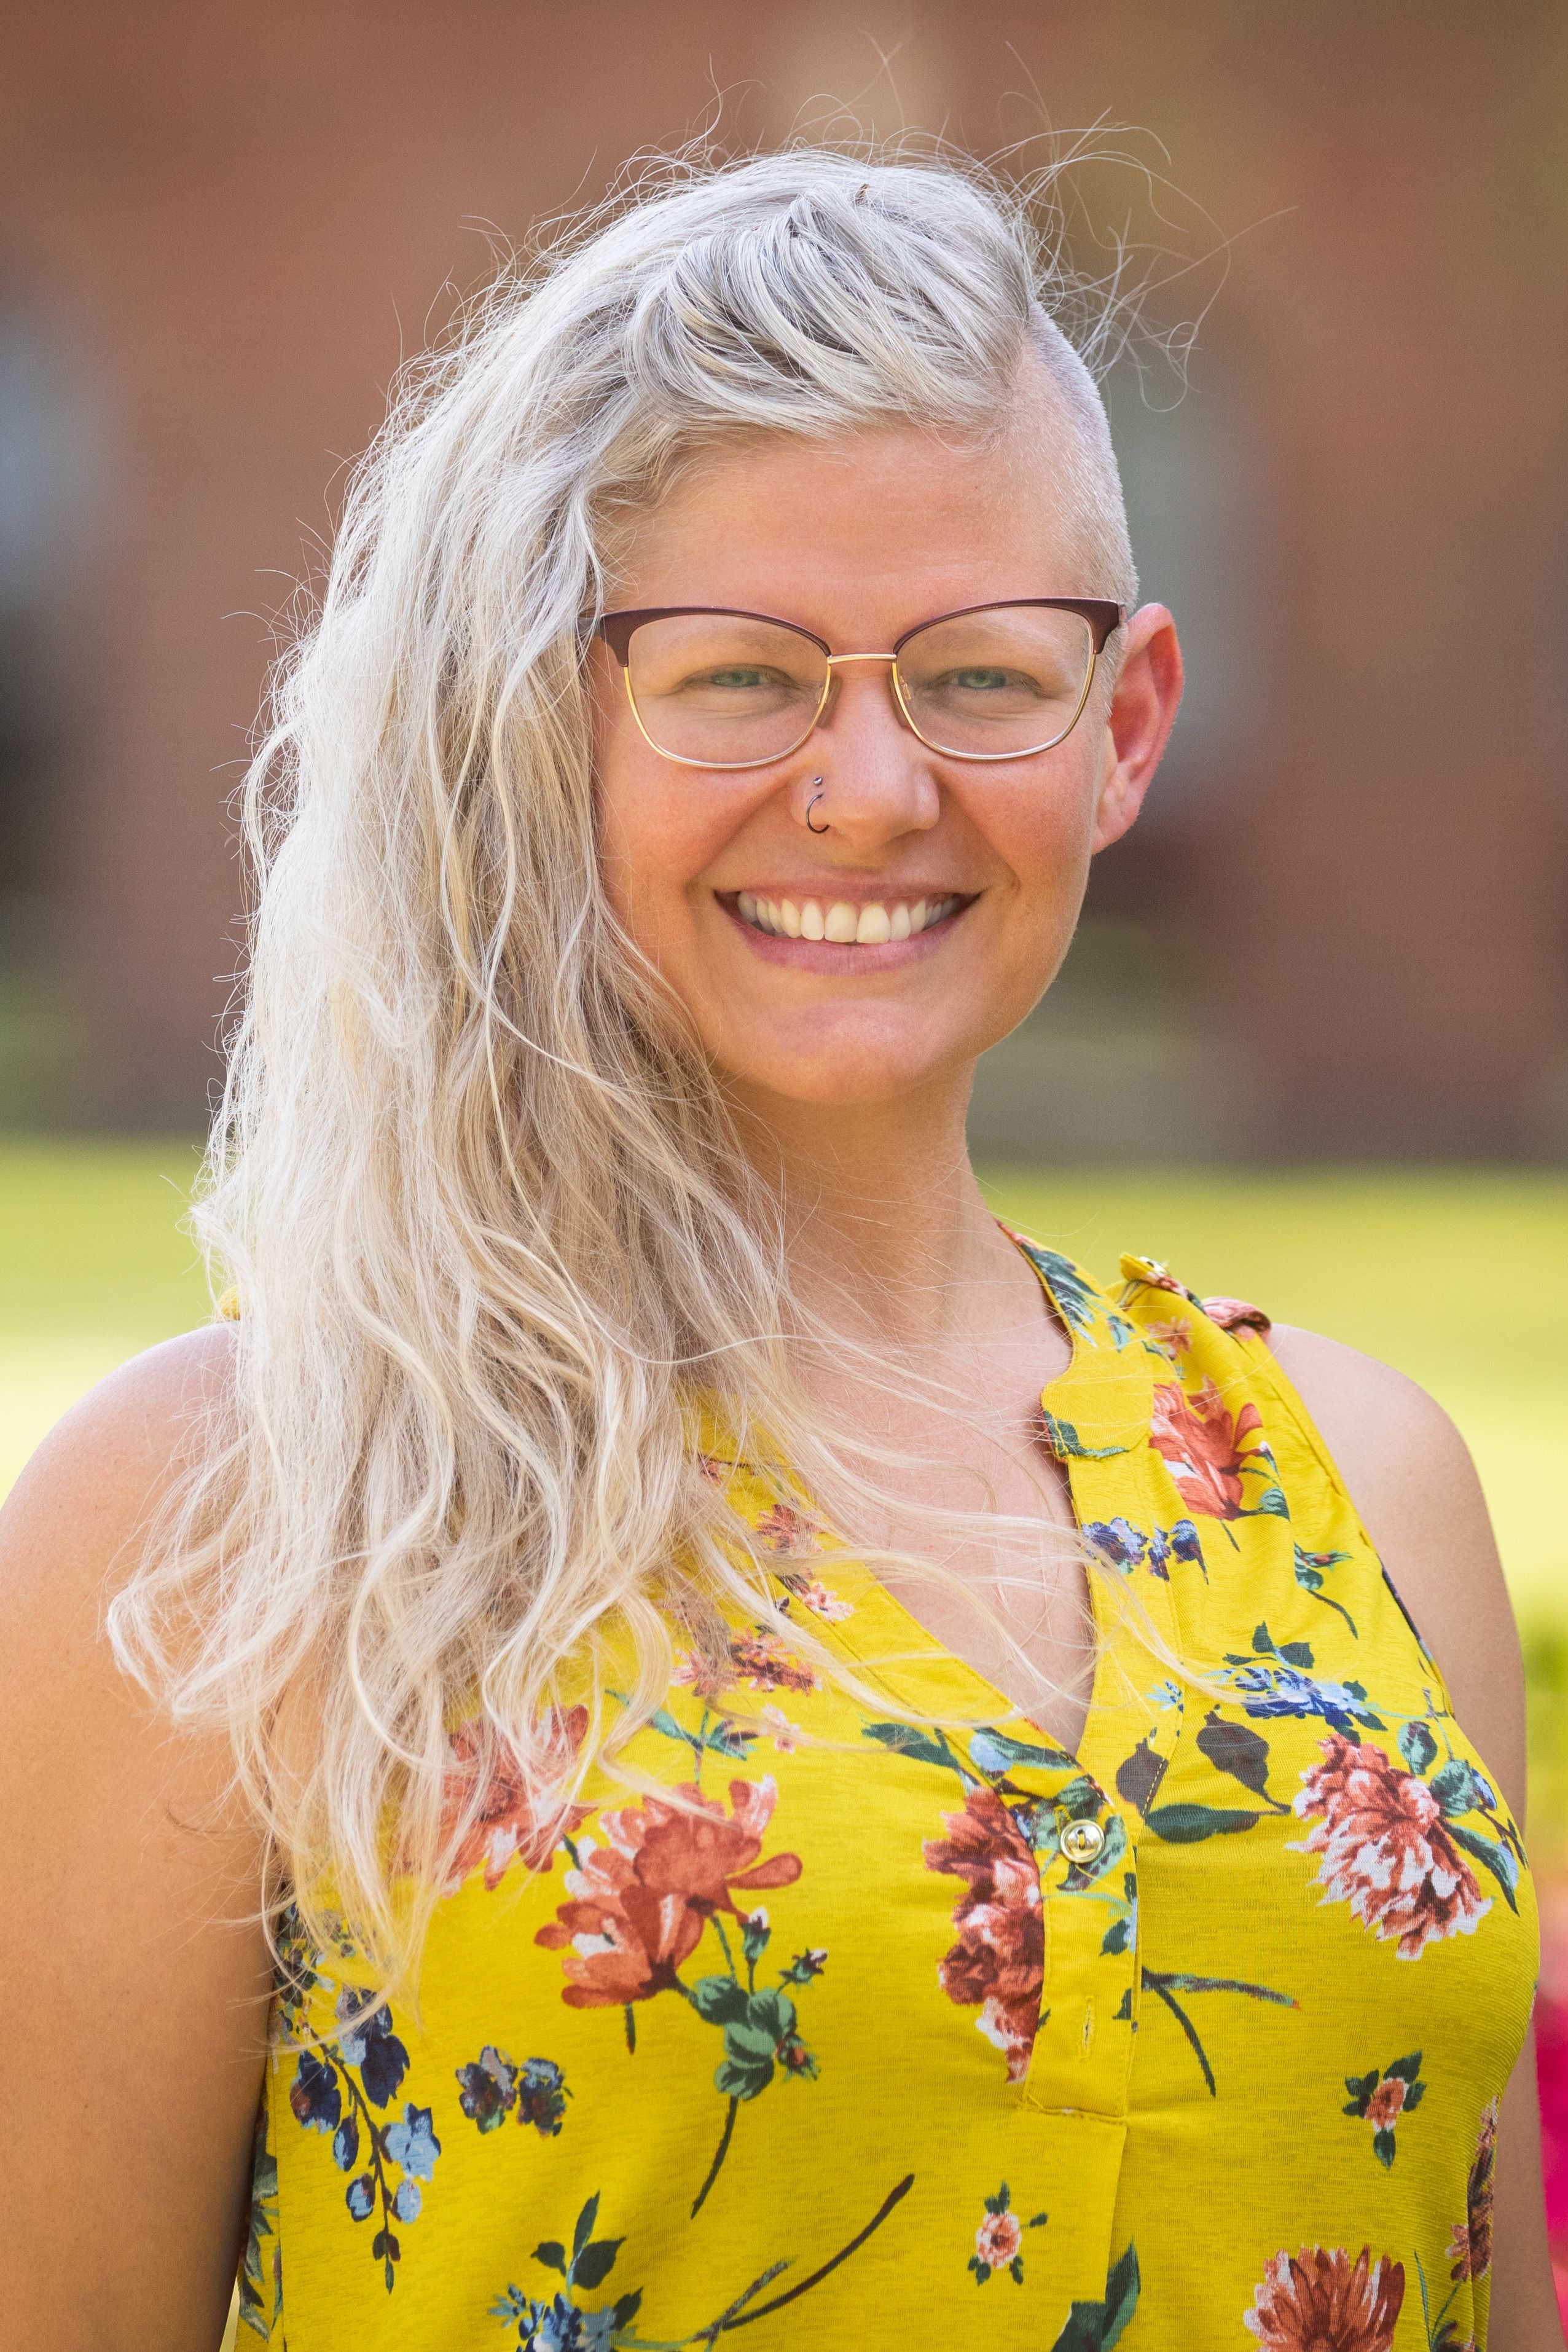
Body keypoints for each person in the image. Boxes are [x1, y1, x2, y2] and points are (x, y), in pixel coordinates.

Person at [1, 149, 1558, 2352]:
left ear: (1125, 725)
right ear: (538, 719)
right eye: (737, 676)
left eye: (981, 674)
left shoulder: (1366, 1486)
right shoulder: (221, 1520)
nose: (870, 788)